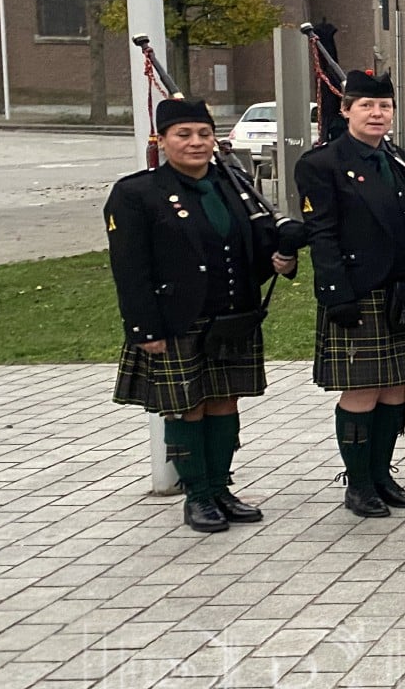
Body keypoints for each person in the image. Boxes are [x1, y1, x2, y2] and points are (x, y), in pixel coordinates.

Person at [107, 96, 297, 532]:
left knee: (224, 404)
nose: (195, 143)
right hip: (177, 319)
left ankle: (220, 487)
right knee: (188, 408)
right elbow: (130, 269)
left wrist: (281, 256)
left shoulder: (233, 183)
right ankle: (197, 496)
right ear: (163, 139)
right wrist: (143, 328)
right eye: (184, 134)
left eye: (204, 134)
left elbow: (252, 240)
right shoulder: (137, 193)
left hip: (232, 314)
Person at [299, 69, 405, 518]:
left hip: (401, 290)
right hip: (359, 292)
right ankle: (359, 485)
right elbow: (322, 234)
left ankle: (384, 475)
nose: (376, 113)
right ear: (345, 110)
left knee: (394, 388)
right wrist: (336, 294)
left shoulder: (396, 158)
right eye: (366, 105)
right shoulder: (322, 164)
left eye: (384, 106)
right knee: (361, 391)